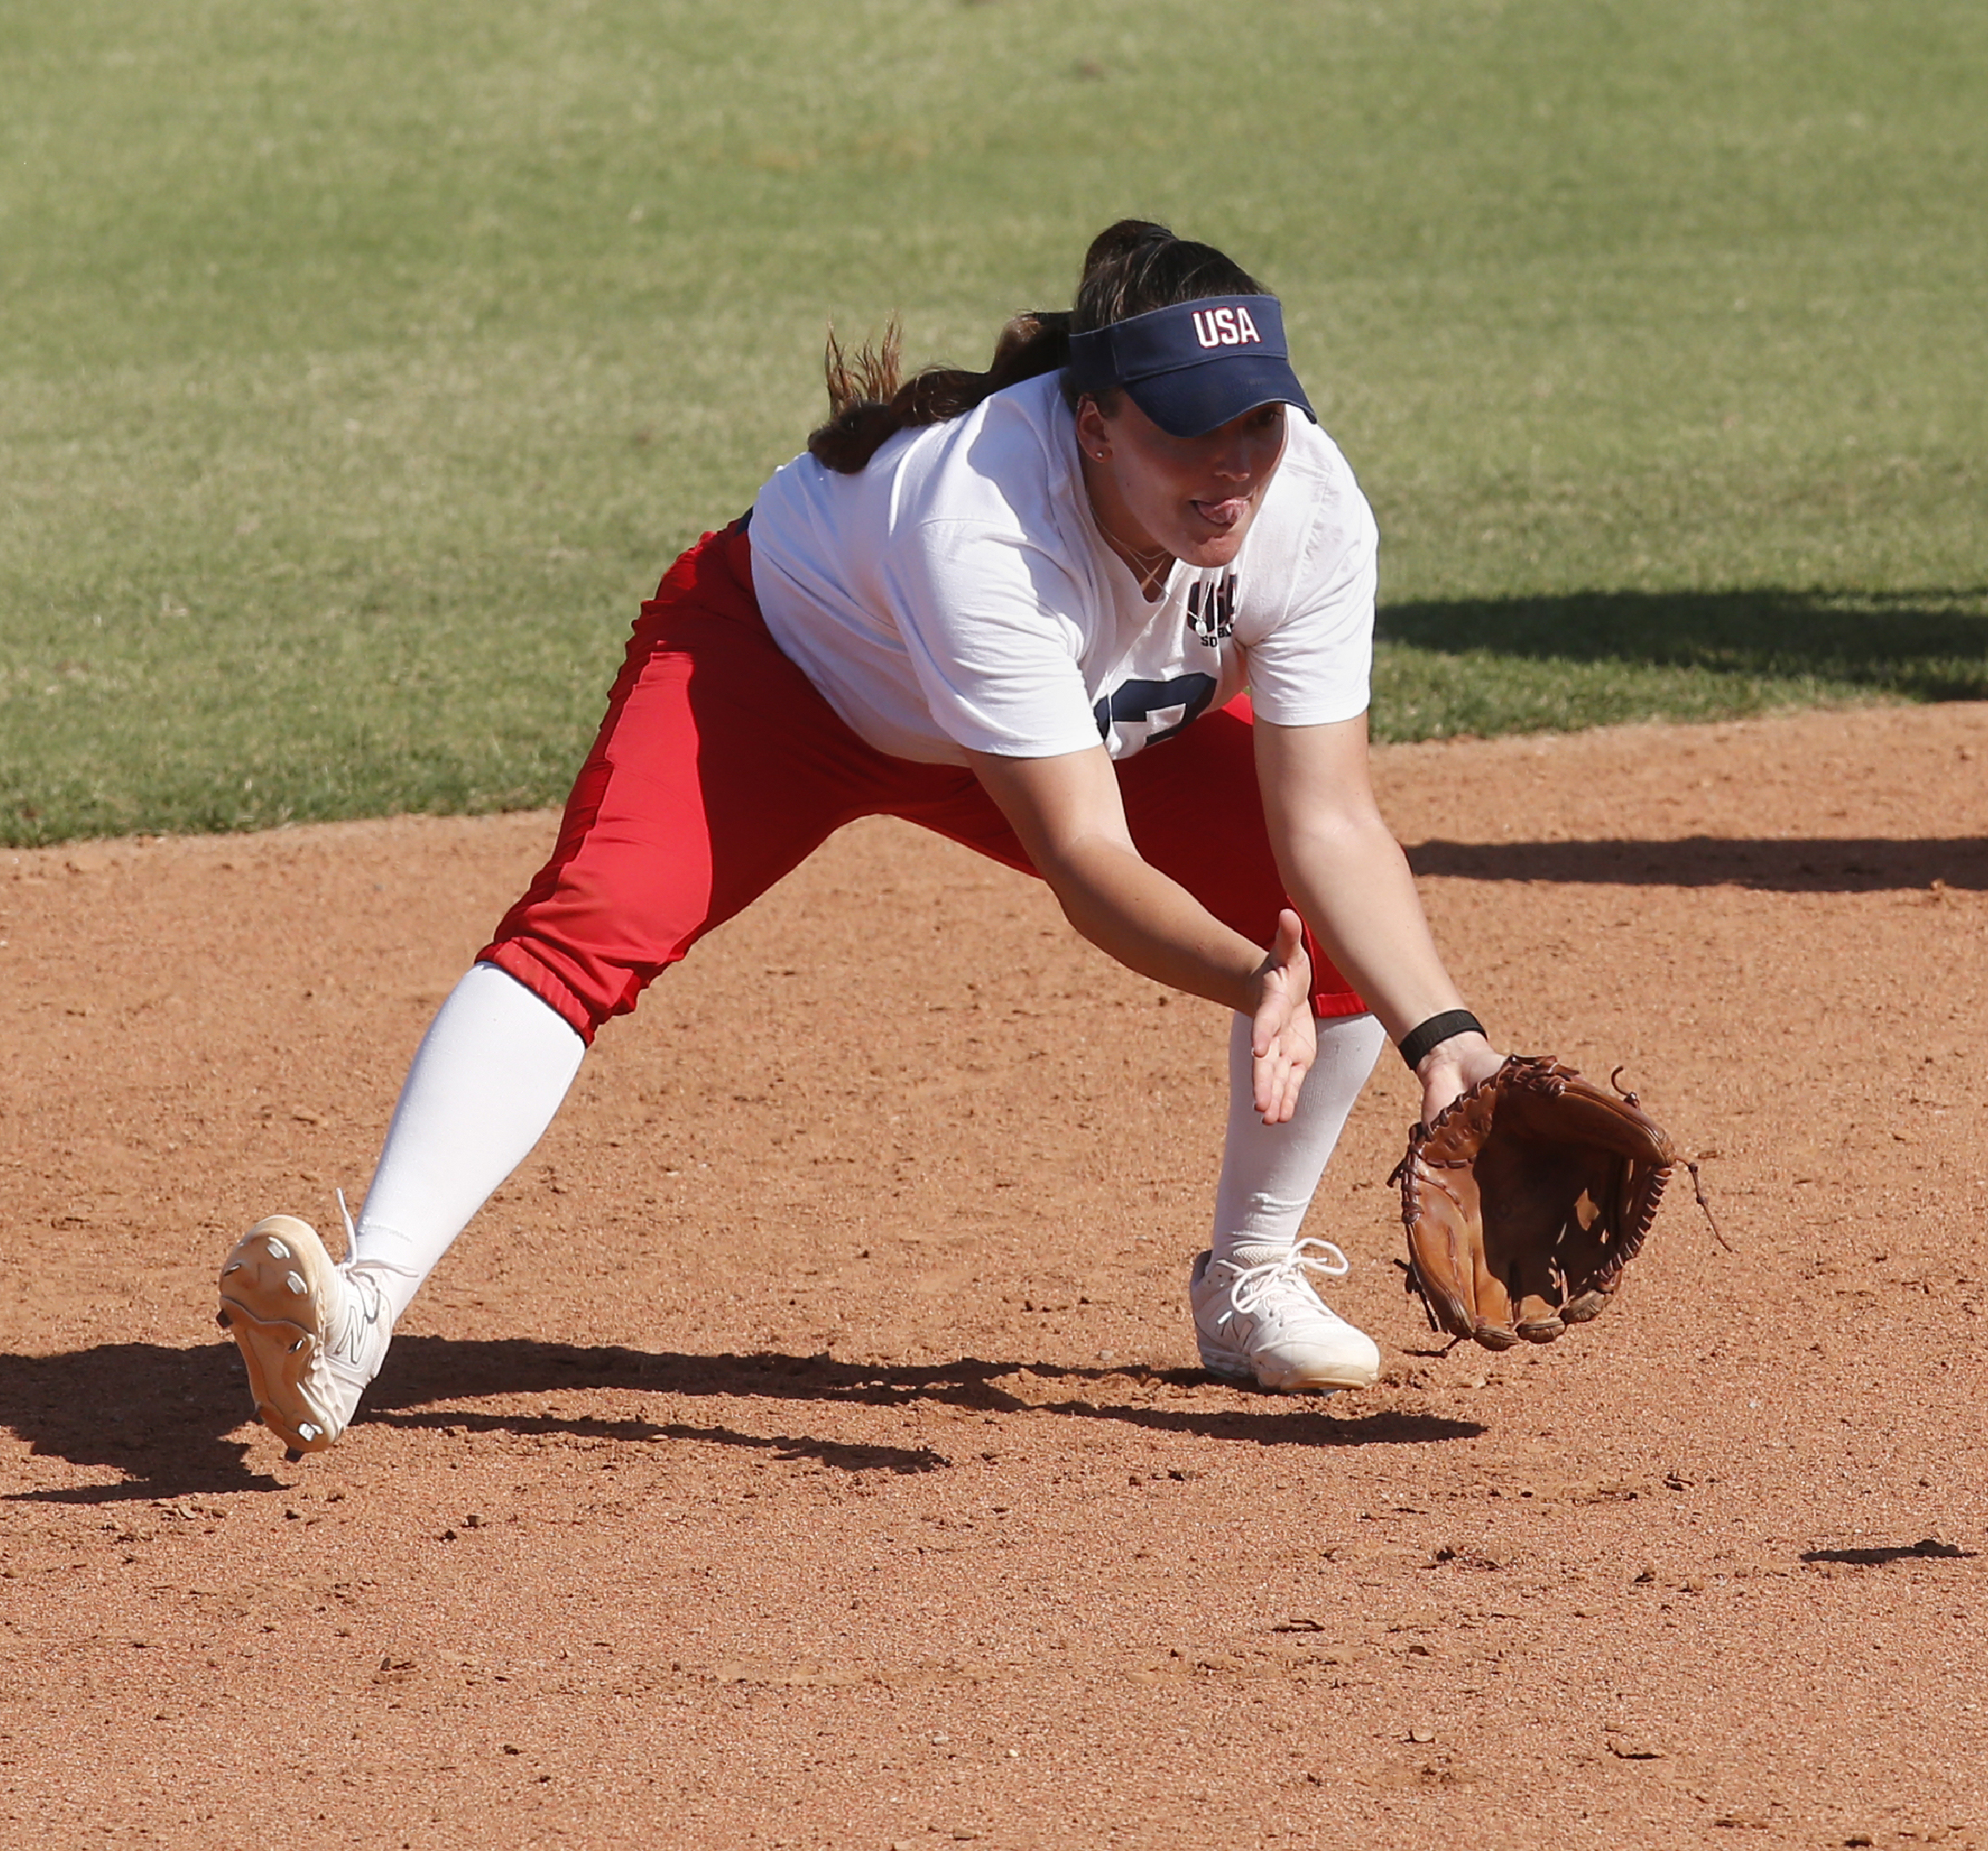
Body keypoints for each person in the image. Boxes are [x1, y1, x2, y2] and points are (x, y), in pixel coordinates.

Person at [216, 220, 1506, 1453]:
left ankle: (1248, 1280)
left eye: (1256, 421)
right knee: (593, 924)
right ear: (1097, 425)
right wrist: (1247, 976)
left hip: (1058, 727)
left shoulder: (1310, 506)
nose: (1231, 463)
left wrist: (1444, 1039)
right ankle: (359, 1310)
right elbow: (1082, 855)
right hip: (786, 677)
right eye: (1187, 430)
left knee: (1319, 914)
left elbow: (1329, 817)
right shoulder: (981, 514)